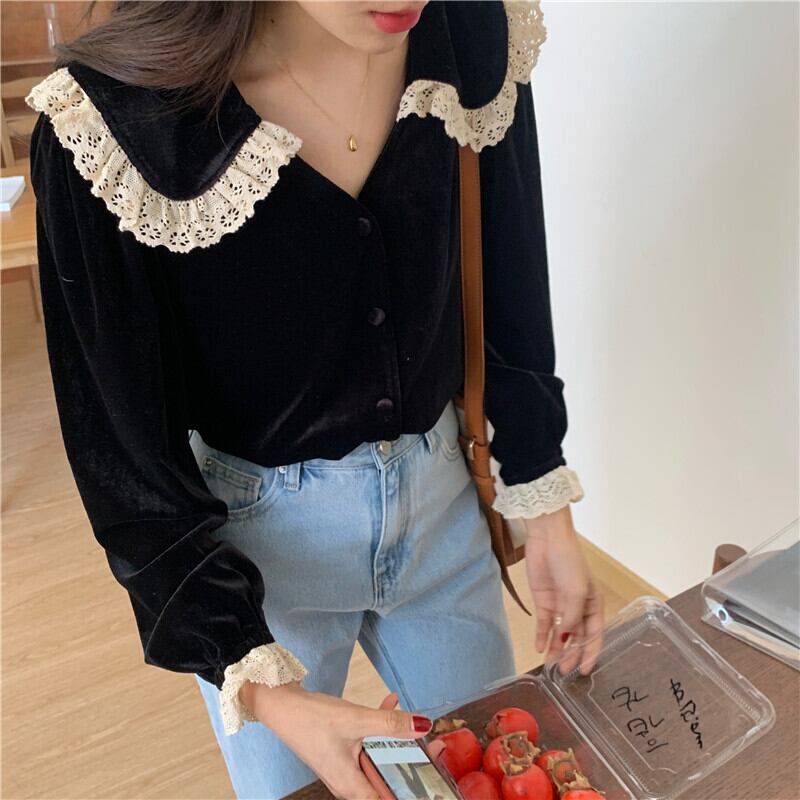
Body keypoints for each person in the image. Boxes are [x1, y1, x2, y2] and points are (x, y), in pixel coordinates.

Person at [25, 1, 604, 798]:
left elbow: (509, 285)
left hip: (446, 513)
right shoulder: (114, 121)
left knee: (493, 775)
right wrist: (256, 681)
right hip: (258, 560)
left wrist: (547, 507)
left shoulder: (471, 34)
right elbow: (126, 468)